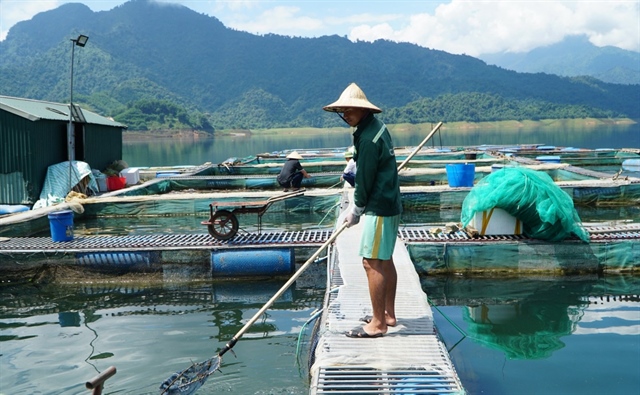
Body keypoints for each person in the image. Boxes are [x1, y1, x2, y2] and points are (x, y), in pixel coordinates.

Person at [323, 82, 402, 338]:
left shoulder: (368, 138)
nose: (345, 114)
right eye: (342, 111)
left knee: (372, 263)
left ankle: (378, 324)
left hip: (379, 205)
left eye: (350, 109)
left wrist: (355, 210)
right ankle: (388, 314)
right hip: (389, 201)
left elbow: (365, 181)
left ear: (363, 110)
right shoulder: (375, 128)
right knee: (385, 258)